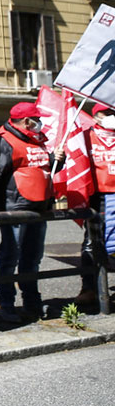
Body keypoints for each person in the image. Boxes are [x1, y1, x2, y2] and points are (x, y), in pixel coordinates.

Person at [0, 101, 63, 322]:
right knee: (10, 257)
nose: (40, 123)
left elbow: (40, 167)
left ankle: (32, 302)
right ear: (27, 121)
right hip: (13, 210)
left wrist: (56, 161)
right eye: (36, 118)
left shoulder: (37, 140)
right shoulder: (2, 141)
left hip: (38, 208)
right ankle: (6, 304)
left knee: (32, 257)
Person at [78, 103, 115, 304]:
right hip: (97, 197)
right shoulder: (85, 136)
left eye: (113, 112)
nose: (111, 116)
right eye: (106, 113)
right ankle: (89, 288)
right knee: (91, 242)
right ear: (96, 116)